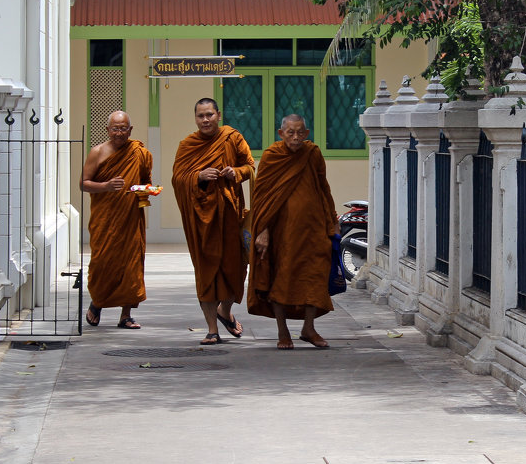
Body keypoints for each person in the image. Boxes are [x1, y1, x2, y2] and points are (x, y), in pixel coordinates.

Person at [248, 115, 338, 349]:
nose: (296, 137)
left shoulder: (313, 153)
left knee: (314, 276)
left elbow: (323, 187)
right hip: (282, 231)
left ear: (306, 133)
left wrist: (332, 221)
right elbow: (262, 196)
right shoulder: (272, 156)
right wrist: (263, 230)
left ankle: (308, 328)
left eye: (300, 133)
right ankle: (282, 331)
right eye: (290, 132)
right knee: (281, 277)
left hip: (314, 228)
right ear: (281, 133)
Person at [172, 98, 255, 345]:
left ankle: (225, 311)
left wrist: (235, 172)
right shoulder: (187, 145)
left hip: (230, 217)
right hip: (202, 222)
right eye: (200, 116)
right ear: (195, 118)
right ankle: (212, 329)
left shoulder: (232, 138)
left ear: (218, 115)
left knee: (237, 269)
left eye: (209, 114)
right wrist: (198, 176)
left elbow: (250, 167)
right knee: (206, 274)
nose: (205, 120)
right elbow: (178, 178)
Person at [79, 111, 154, 329]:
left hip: (131, 218)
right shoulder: (98, 152)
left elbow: (145, 182)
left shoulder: (140, 153)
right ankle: (98, 303)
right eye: (115, 128)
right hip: (106, 219)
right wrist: (106, 186)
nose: (119, 133)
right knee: (102, 262)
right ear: (107, 130)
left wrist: (148, 190)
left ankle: (126, 315)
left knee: (131, 265)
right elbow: (84, 183)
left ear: (130, 130)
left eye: (123, 128)